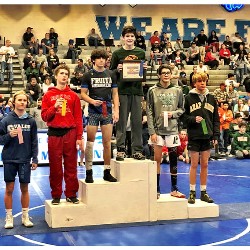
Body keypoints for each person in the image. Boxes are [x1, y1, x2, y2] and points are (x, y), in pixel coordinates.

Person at [41, 64, 84, 205]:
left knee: (71, 166)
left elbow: (78, 118)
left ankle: (71, 194)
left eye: (66, 74)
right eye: (61, 73)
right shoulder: (48, 95)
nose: (64, 76)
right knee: (55, 167)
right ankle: (56, 195)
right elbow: (44, 117)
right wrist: (54, 107)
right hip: (54, 134)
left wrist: (79, 137)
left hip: (70, 133)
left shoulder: (73, 96)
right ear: (56, 76)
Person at [0, 90, 38, 229]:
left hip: (24, 159)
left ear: (27, 103)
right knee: (9, 189)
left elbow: (34, 141)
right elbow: (0, 140)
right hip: (9, 159)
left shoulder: (31, 121)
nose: (22, 102)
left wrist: (35, 158)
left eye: (24, 100)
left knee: (25, 188)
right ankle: (9, 218)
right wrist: (9, 135)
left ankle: (25, 217)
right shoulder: (6, 120)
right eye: (20, 100)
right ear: (14, 102)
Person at [147, 64, 185, 199]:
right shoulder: (152, 90)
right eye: (163, 73)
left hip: (173, 130)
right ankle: (156, 189)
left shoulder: (178, 90)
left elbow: (182, 109)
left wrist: (172, 114)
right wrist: (152, 131)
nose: (166, 75)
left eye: (168, 72)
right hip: (157, 130)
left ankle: (174, 189)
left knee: (174, 160)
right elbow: (149, 111)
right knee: (157, 160)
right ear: (159, 75)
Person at [81, 49, 119, 183]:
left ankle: (107, 171)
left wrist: (116, 111)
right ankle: (89, 172)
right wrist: (91, 101)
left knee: (107, 143)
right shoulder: (88, 75)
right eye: (99, 58)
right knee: (90, 142)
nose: (102, 60)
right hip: (92, 111)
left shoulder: (111, 74)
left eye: (104, 58)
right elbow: (83, 93)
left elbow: (115, 94)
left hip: (107, 111)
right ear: (94, 60)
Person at [110, 25, 146, 161]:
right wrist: (117, 69)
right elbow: (111, 72)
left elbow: (142, 73)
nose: (130, 38)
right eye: (127, 36)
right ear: (123, 38)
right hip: (122, 91)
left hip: (137, 91)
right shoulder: (117, 54)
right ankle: (120, 149)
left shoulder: (141, 53)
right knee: (122, 122)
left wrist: (144, 69)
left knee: (137, 122)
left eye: (132, 36)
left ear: (135, 38)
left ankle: (137, 150)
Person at [183, 72, 220, 204]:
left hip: (207, 136)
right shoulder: (188, 98)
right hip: (194, 135)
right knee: (194, 164)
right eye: (199, 81)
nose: (202, 83)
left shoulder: (211, 98)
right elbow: (183, 116)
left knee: (205, 164)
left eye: (204, 81)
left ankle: (203, 192)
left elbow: (216, 118)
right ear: (194, 83)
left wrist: (216, 135)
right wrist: (193, 119)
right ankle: (192, 192)